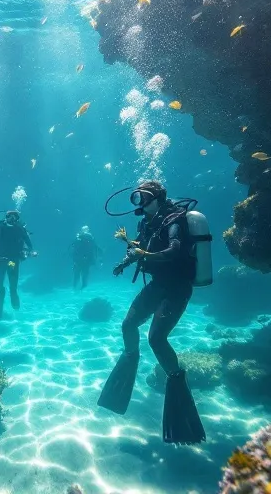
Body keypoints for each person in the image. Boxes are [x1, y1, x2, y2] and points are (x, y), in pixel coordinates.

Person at [97, 180, 207, 445]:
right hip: (159, 285)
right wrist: (127, 259)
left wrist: (143, 252)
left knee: (156, 339)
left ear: (156, 196)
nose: (138, 202)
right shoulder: (146, 222)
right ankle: (129, 361)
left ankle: (177, 381)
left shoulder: (174, 219)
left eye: (142, 196)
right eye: (136, 197)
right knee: (127, 325)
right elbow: (139, 248)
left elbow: (175, 249)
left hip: (177, 287)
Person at [0, 210, 36, 321]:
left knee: (12, 287)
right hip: (1, 261)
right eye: (9, 216)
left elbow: (29, 245)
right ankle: (1, 300)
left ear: (17, 219)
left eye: (14, 216)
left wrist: (29, 252)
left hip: (11, 262)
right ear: (5, 217)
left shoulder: (20, 229)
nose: (12, 218)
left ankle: (11, 297)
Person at [70, 225, 102, 290]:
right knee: (84, 274)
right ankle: (82, 288)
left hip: (80, 259)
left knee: (78, 274)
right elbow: (95, 248)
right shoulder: (90, 237)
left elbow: (73, 248)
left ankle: (76, 288)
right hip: (86, 259)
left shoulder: (79, 237)